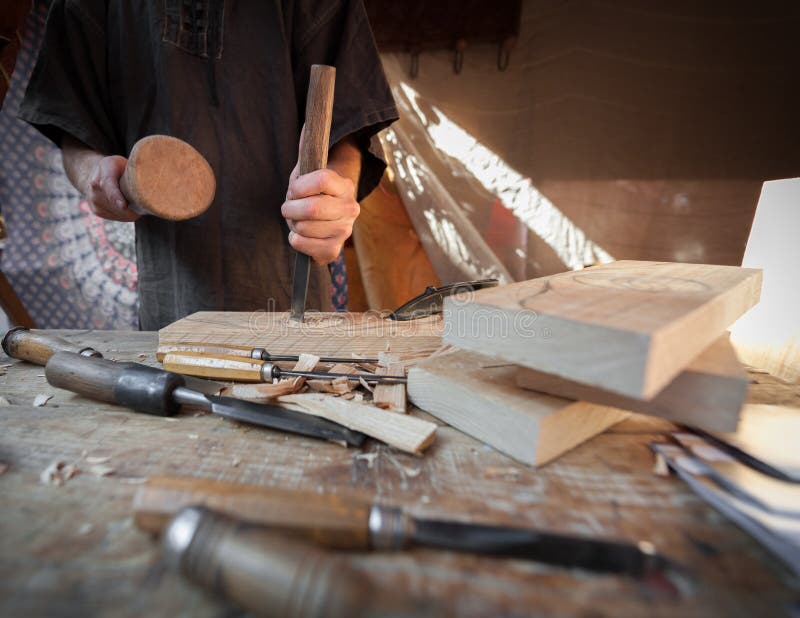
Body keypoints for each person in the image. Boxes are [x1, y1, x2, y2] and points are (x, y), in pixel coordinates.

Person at [18, 0, 398, 329]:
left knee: (294, 387)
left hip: (291, 295)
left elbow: (348, 128)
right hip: (169, 304)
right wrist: (92, 174)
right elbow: (72, 122)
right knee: (178, 390)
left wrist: (335, 191)